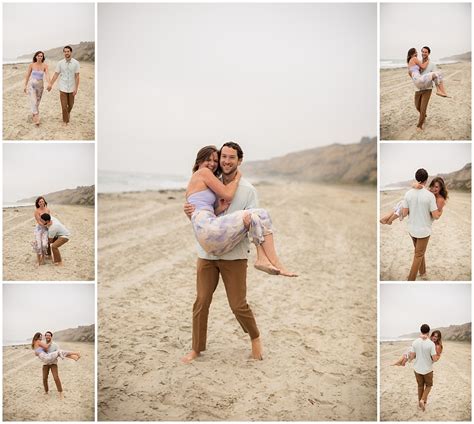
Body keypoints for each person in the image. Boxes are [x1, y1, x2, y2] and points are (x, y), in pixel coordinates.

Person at [181, 142, 295, 364]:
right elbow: (206, 218)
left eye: (230, 158)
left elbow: (255, 224)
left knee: (238, 305)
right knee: (201, 301)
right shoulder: (209, 185)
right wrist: (189, 213)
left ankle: (255, 338)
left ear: (239, 161)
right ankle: (196, 348)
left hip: (235, 255)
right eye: (222, 157)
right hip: (208, 255)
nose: (224, 161)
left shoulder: (248, 190)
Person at [185, 145, 296, 276]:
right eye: (208, 160)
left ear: (239, 160)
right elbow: (228, 195)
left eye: (215, 160)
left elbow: (201, 210)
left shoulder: (204, 182)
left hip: (206, 233)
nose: (212, 164)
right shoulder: (204, 173)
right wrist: (238, 177)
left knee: (254, 217)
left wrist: (220, 208)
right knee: (261, 214)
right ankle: (275, 262)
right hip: (207, 231)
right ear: (199, 161)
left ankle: (262, 258)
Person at [401, 168, 442, 281]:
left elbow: (404, 213)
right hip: (424, 231)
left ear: (416, 178)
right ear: (426, 179)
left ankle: (423, 272)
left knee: (419, 251)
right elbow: (435, 216)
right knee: (419, 254)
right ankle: (411, 279)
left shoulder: (408, 194)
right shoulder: (430, 196)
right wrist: (440, 213)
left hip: (412, 229)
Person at [380, 177, 448, 226]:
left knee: (405, 204)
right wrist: (416, 185)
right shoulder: (431, 192)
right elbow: (414, 185)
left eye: (436, 187)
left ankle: (388, 220)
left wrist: (440, 212)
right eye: (432, 186)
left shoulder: (440, 199)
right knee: (403, 203)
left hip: (425, 216)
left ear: (441, 188)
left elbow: (435, 215)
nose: (433, 189)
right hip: (421, 209)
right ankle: (387, 219)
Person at [408, 324, 440, 411]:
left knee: (420, 386)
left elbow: (412, 356)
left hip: (417, 369)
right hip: (427, 369)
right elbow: (434, 358)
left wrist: (408, 358)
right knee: (429, 385)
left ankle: (420, 402)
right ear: (429, 332)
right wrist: (437, 357)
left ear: (421, 331)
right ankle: (422, 400)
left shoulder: (415, 342)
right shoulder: (431, 344)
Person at [47, 45, 80, 125]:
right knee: (64, 106)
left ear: (71, 52)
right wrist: (50, 84)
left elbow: (77, 76)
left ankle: (68, 113)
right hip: (62, 87)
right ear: (63, 53)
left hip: (72, 87)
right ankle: (66, 121)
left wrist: (76, 88)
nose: (66, 53)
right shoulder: (60, 63)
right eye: (65, 52)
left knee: (71, 105)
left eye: (68, 51)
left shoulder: (76, 63)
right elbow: (56, 74)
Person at [413, 46, 440, 131]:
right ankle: (423, 115)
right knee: (417, 106)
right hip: (418, 89)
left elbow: (436, 76)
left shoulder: (432, 65)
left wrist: (438, 88)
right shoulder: (418, 63)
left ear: (428, 53)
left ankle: (419, 125)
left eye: (426, 52)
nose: (424, 53)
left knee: (423, 107)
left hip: (427, 89)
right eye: (423, 52)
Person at [23, 51, 50, 126]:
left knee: (37, 102)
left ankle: (34, 114)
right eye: (38, 56)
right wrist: (25, 86)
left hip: (40, 86)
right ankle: (37, 118)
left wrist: (49, 83)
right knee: (34, 101)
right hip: (32, 86)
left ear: (43, 57)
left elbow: (47, 75)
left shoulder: (45, 66)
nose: (40, 57)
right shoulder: (31, 65)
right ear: (36, 57)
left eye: (41, 56)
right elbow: (27, 76)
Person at [42, 331, 65, 399]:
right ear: (45, 336)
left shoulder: (55, 345)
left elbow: (59, 352)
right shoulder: (43, 344)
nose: (47, 336)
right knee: (44, 378)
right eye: (46, 335)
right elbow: (41, 354)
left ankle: (60, 392)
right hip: (45, 364)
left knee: (56, 377)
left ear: (51, 336)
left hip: (53, 364)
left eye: (49, 335)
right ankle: (46, 391)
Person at [32, 196, 51, 266]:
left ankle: (43, 257)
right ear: (38, 203)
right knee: (39, 245)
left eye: (42, 201)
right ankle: (38, 260)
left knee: (44, 244)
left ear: (44, 202)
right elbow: (38, 221)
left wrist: (48, 224)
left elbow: (48, 219)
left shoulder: (48, 210)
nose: (41, 203)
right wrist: (45, 225)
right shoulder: (36, 211)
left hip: (46, 229)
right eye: (40, 202)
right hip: (39, 229)